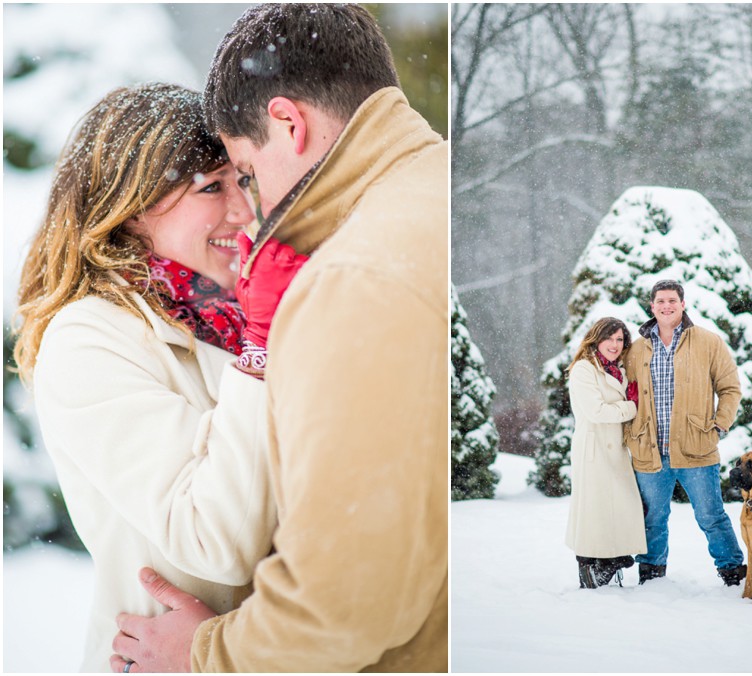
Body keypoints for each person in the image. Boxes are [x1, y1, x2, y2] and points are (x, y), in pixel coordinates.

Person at [111, 4, 448, 673]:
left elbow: (343, 603)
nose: (248, 204)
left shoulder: (352, 279)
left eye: (243, 169)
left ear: (289, 124)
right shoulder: (433, 191)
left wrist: (210, 653)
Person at [13, 83, 305, 672]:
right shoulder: (90, 339)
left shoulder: (233, 318)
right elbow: (213, 540)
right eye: (211, 187)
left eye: (241, 181)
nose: (244, 211)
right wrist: (262, 348)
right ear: (131, 206)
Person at [622, 280, 747, 586]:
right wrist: (629, 432)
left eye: (672, 301)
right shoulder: (637, 349)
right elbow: (624, 392)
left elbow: (729, 388)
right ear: (652, 307)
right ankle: (651, 571)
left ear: (683, 304)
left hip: (696, 446)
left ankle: (732, 569)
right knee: (652, 519)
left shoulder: (707, 341)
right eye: (660, 301)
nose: (666, 306)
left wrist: (720, 423)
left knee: (711, 516)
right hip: (649, 449)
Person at [565, 317, 647, 588]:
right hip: (594, 448)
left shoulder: (618, 369)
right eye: (609, 338)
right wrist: (632, 406)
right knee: (594, 510)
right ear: (596, 339)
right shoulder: (584, 369)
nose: (614, 345)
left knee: (619, 507)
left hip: (616, 448)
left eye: (620, 339)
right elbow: (596, 411)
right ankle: (591, 567)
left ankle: (610, 559)